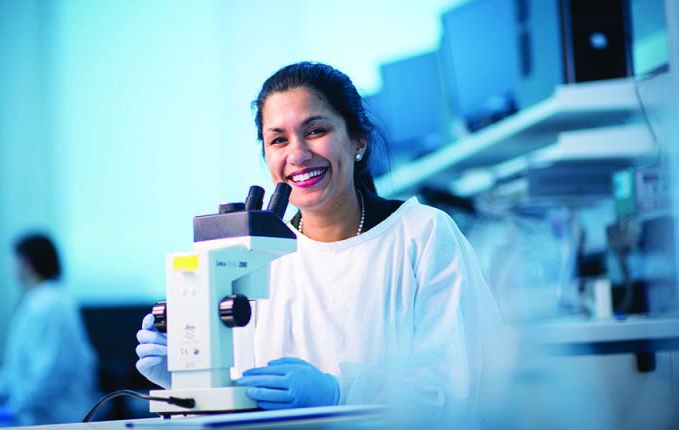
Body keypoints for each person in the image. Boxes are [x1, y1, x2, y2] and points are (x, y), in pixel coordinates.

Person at [136, 62, 503, 424]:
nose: (297, 155)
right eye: (278, 139)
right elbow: (246, 395)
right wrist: (192, 382)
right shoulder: (259, 257)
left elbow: (458, 395)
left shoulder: (422, 234)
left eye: (314, 131)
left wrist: (340, 392)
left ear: (359, 141)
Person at [0, 233, 97, 427]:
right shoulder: (36, 300)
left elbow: (49, 372)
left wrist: (13, 409)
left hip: (56, 417)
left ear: (26, 261)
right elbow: (16, 368)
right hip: (38, 416)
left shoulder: (49, 304)